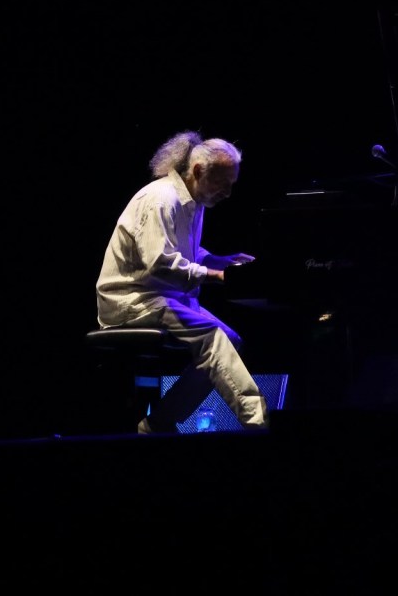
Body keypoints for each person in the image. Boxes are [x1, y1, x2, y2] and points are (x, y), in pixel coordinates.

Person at [95, 130, 269, 434]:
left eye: (231, 184)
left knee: (232, 341)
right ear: (198, 171)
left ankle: (159, 422)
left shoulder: (193, 201)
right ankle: (259, 422)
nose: (228, 193)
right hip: (132, 300)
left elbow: (182, 250)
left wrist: (219, 260)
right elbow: (159, 262)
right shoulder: (161, 199)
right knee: (213, 337)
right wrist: (214, 276)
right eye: (223, 183)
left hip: (162, 298)